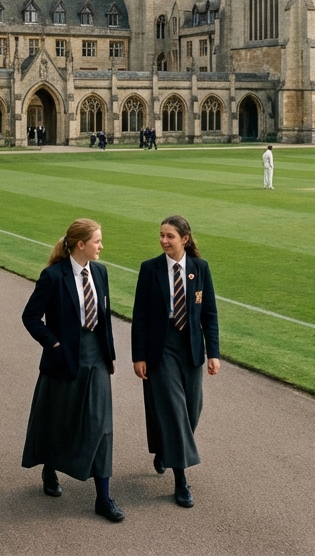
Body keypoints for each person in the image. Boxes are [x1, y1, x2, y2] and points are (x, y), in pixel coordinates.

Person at [21, 219, 123, 522]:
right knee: (58, 421)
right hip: (64, 360)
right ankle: (49, 469)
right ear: (81, 244)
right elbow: (30, 317)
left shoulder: (101, 273)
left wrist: (110, 355)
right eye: (97, 241)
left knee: (102, 427)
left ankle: (103, 498)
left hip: (97, 360)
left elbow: (103, 318)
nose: (102, 247)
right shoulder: (53, 276)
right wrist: (52, 344)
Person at [132, 216, 220, 508]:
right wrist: (139, 356)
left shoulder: (200, 268)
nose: (164, 241)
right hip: (162, 349)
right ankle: (181, 481)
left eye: (170, 236)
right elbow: (140, 316)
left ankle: (164, 450)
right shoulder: (150, 269)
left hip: (191, 349)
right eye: (161, 235)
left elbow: (209, 314)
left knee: (191, 410)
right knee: (173, 410)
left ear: (185, 238)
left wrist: (214, 354)